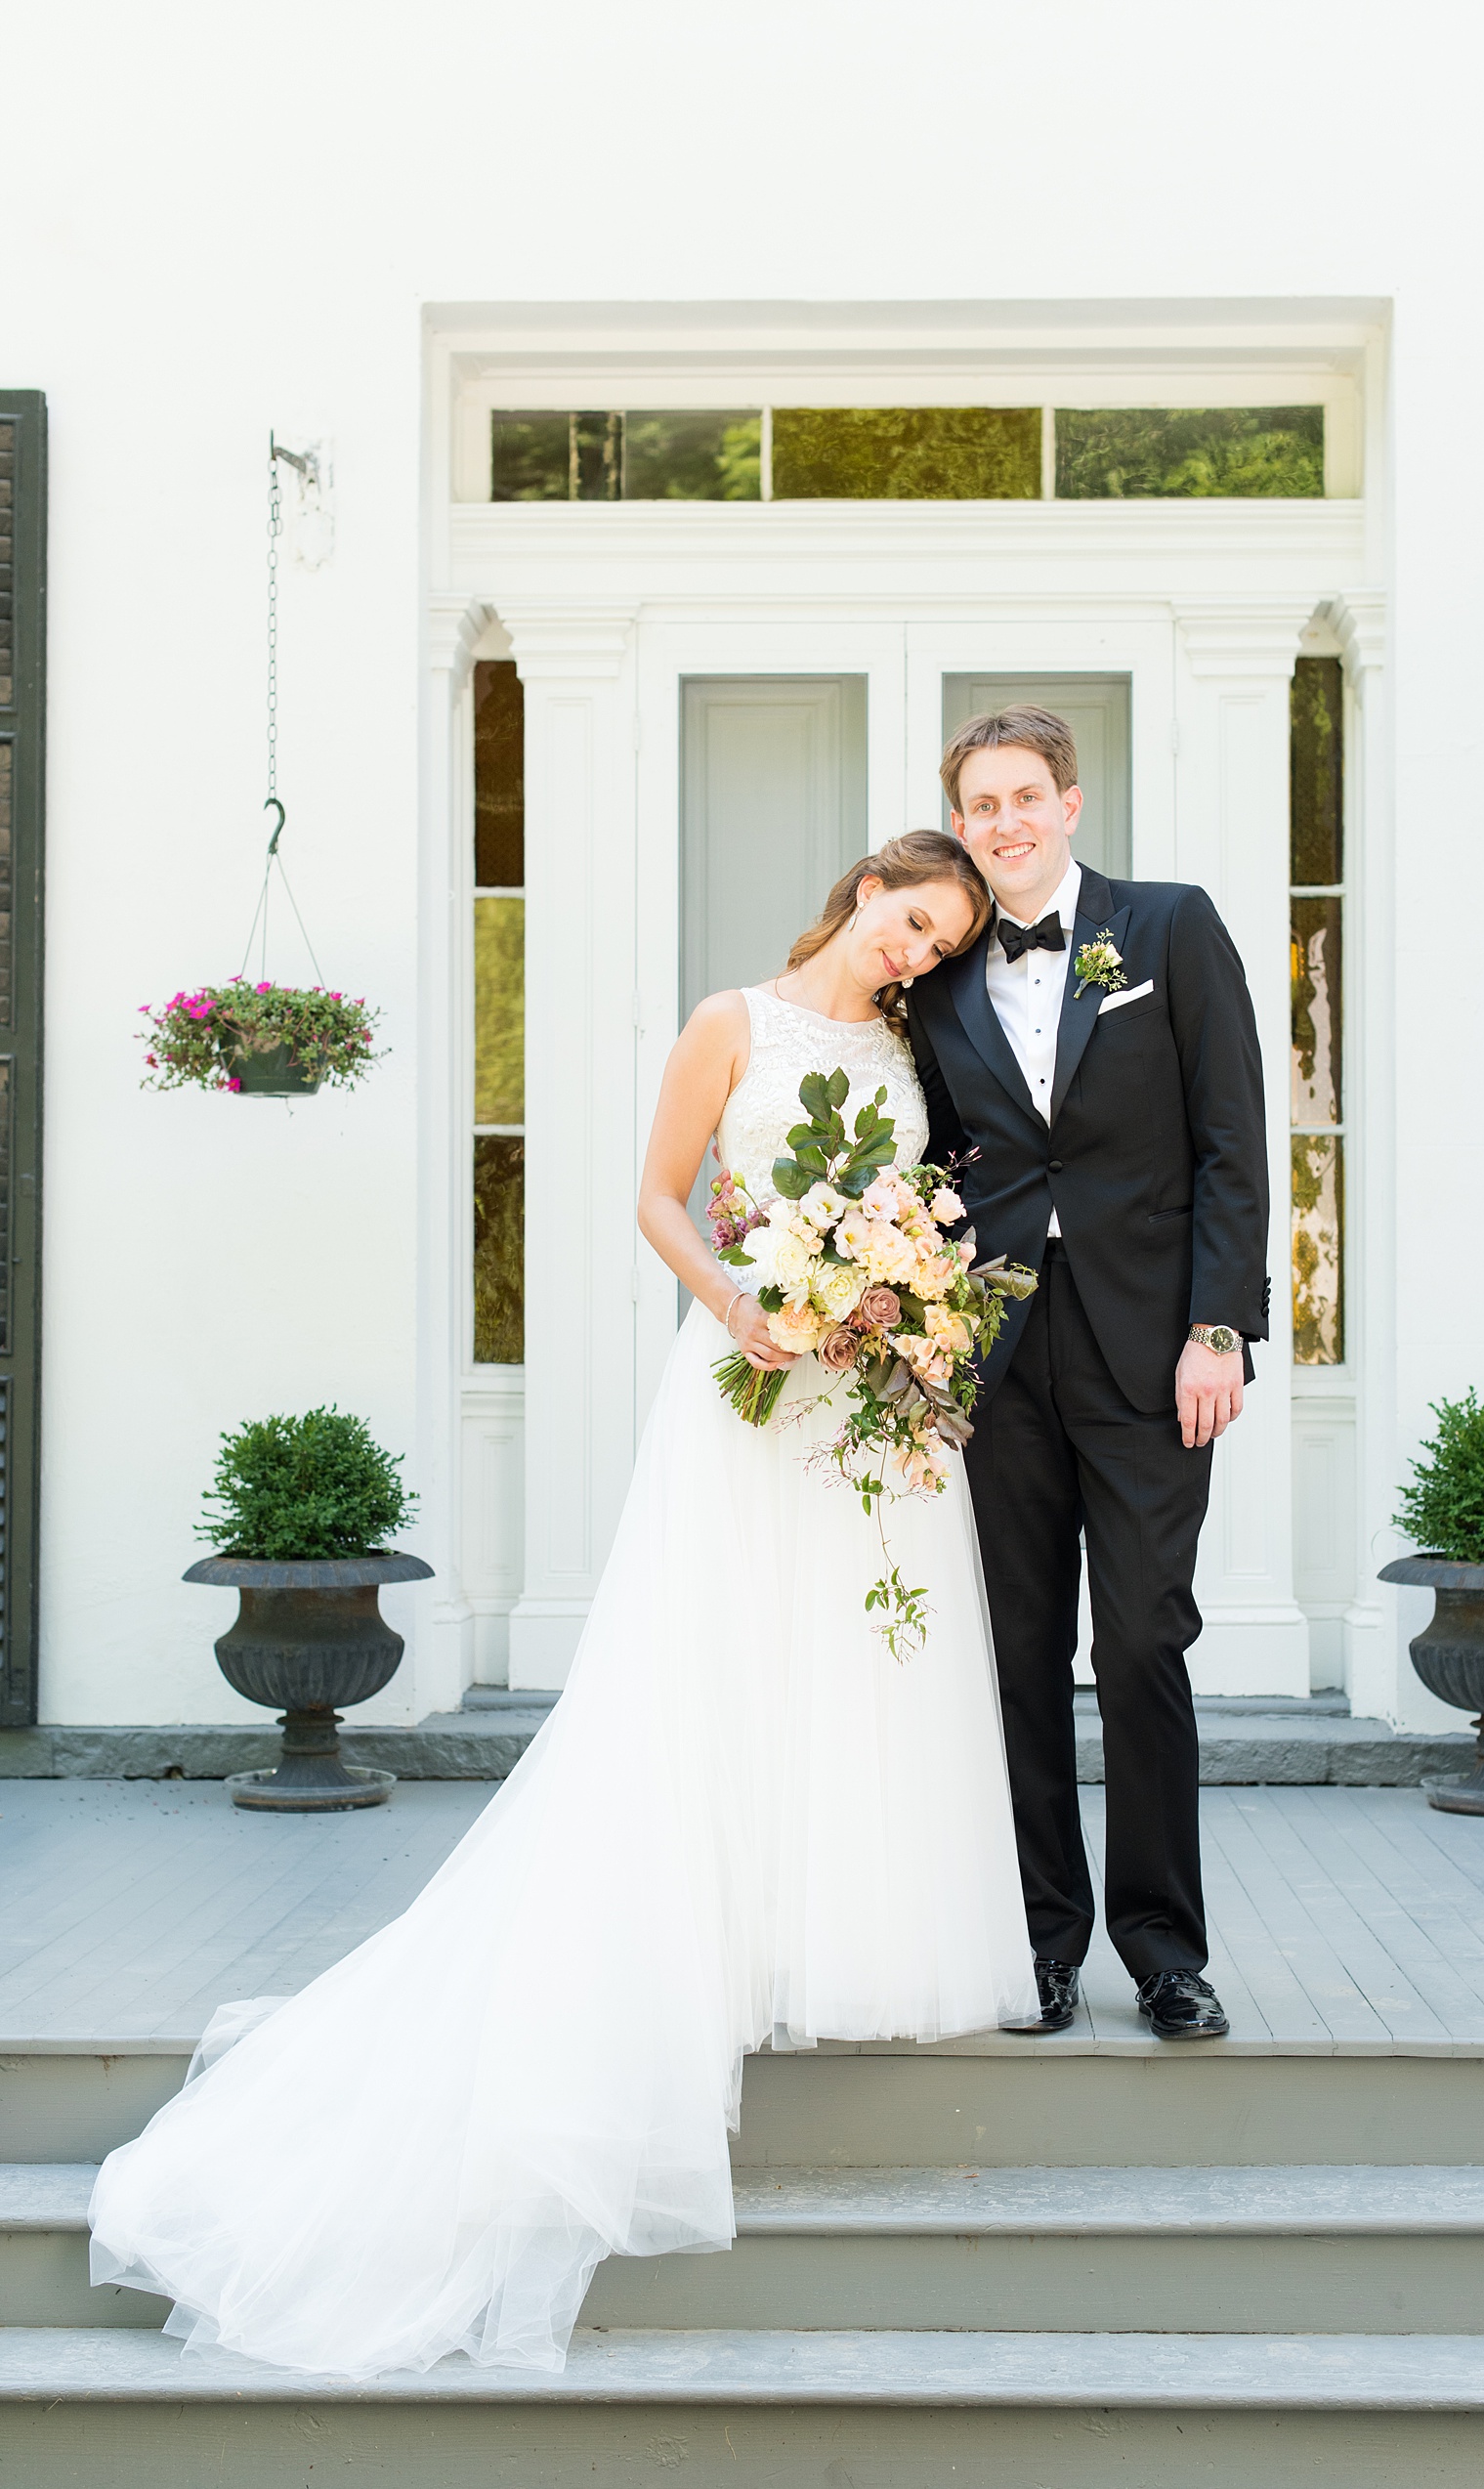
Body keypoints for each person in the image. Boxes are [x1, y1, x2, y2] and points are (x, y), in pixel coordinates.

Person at [87, 830, 1038, 2379]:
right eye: (912, 924)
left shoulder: (919, 1046)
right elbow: (662, 1199)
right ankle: (698, 1941)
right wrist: (749, 1301)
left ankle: (822, 1939)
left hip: (870, 1404)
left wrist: (905, 1304)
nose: (916, 958)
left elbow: (928, 1207)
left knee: (858, 1662)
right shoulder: (733, 1021)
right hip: (748, 1386)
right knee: (714, 1667)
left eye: (939, 948)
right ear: (867, 889)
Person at [907, 708, 1270, 2043]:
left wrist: (1219, 1328)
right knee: (1015, 1656)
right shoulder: (938, 981)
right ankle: (1038, 1947)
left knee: (1139, 1644)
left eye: (1021, 798)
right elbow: (937, 1170)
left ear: (1068, 801)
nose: (1001, 824)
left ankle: (1166, 1953)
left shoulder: (1169, 929)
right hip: (995, 1361)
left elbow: (1234, 1136)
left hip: (1153, 1354)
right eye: (978, 807)